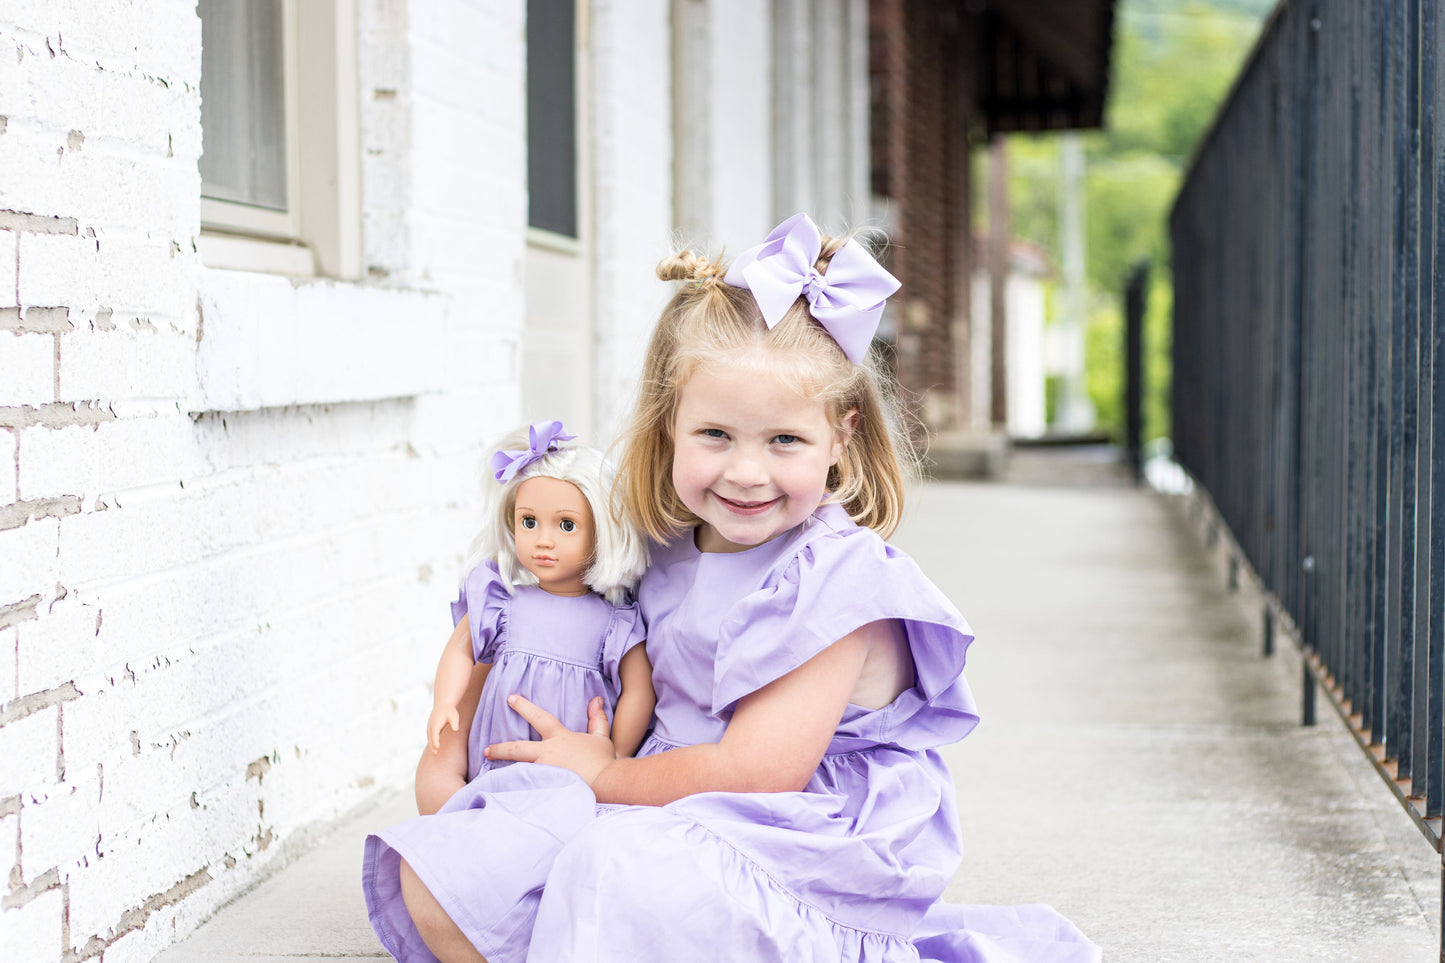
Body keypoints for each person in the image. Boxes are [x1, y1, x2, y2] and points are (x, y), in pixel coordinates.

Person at [363, 213, 1099, 962]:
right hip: (660, 793)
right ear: (671, 426)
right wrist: (489, 739)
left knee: (608, 869)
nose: (746, 472)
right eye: (715, 435)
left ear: (840, 437)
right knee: (446, 868)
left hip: (795, 834)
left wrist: (608, 774)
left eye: (785, 440)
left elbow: (758, 770)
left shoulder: (834, 581)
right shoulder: (665, 547)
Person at [415, 420, 652, 815]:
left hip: (573, 771)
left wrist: (615, 754)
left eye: (567, 525)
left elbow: (639, 690)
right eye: (529, 522)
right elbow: (460, 648)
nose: (544, 540)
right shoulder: (501, 600)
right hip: (496, 766)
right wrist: (445, 701)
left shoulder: (615, 621)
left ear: (601, 532)